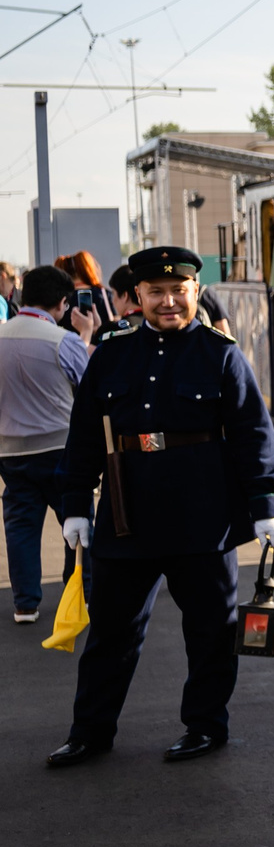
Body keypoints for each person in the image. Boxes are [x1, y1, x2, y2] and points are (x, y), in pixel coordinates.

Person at [44, 247, 274, 768]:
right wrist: (75, 507)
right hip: (127, 515)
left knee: (210, 631)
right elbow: (84, 436)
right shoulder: (111, 353)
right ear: (138, 297)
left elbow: (251, 432)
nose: (169, 302)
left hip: (204, 517)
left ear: (195, 293)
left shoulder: (221, 354)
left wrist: (265, 502)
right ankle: (90, 732)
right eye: (156, 292)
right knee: (111, 633)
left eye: (179, 292)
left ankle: (204, 726)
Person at [0, 266, 101, 623]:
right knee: (77, 521)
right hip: (61, 448)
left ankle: (25, 604)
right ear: (62, 303)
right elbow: (90, 388)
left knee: (20, 527)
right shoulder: (62, 340)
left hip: (10, 451)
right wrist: (86, 336)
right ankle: (82, 594)